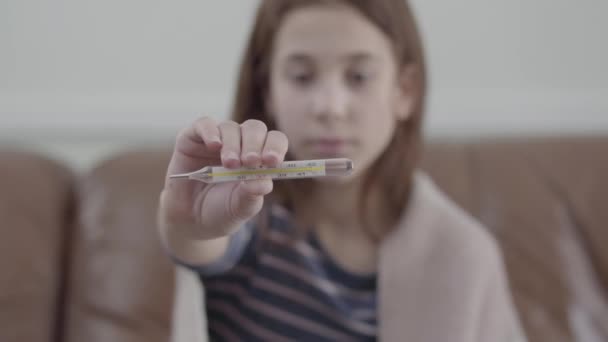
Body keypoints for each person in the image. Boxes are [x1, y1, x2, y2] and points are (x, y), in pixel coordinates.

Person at [158, 0, 527, 341]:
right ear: (267, 89)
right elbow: (201, 240)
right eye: (302, 77)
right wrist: (191, 225)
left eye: (359, 77)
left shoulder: (461, 254)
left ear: (405, 91)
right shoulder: (248, 212)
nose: (330, 107)